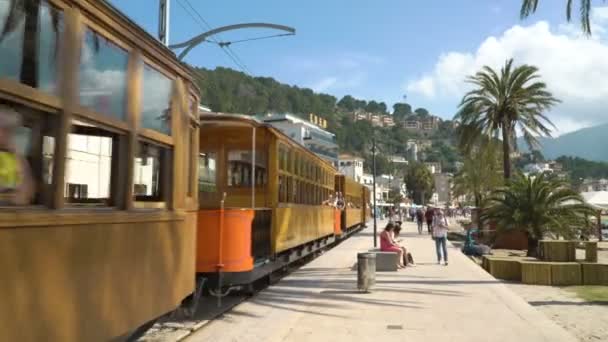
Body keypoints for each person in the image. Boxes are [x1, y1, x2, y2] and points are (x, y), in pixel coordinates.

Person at [0, 104, 33, 206]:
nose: (9, 136)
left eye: (11, 131)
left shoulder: (16, 157)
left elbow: (25, 197)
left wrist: (17, 156)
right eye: (6, 129)